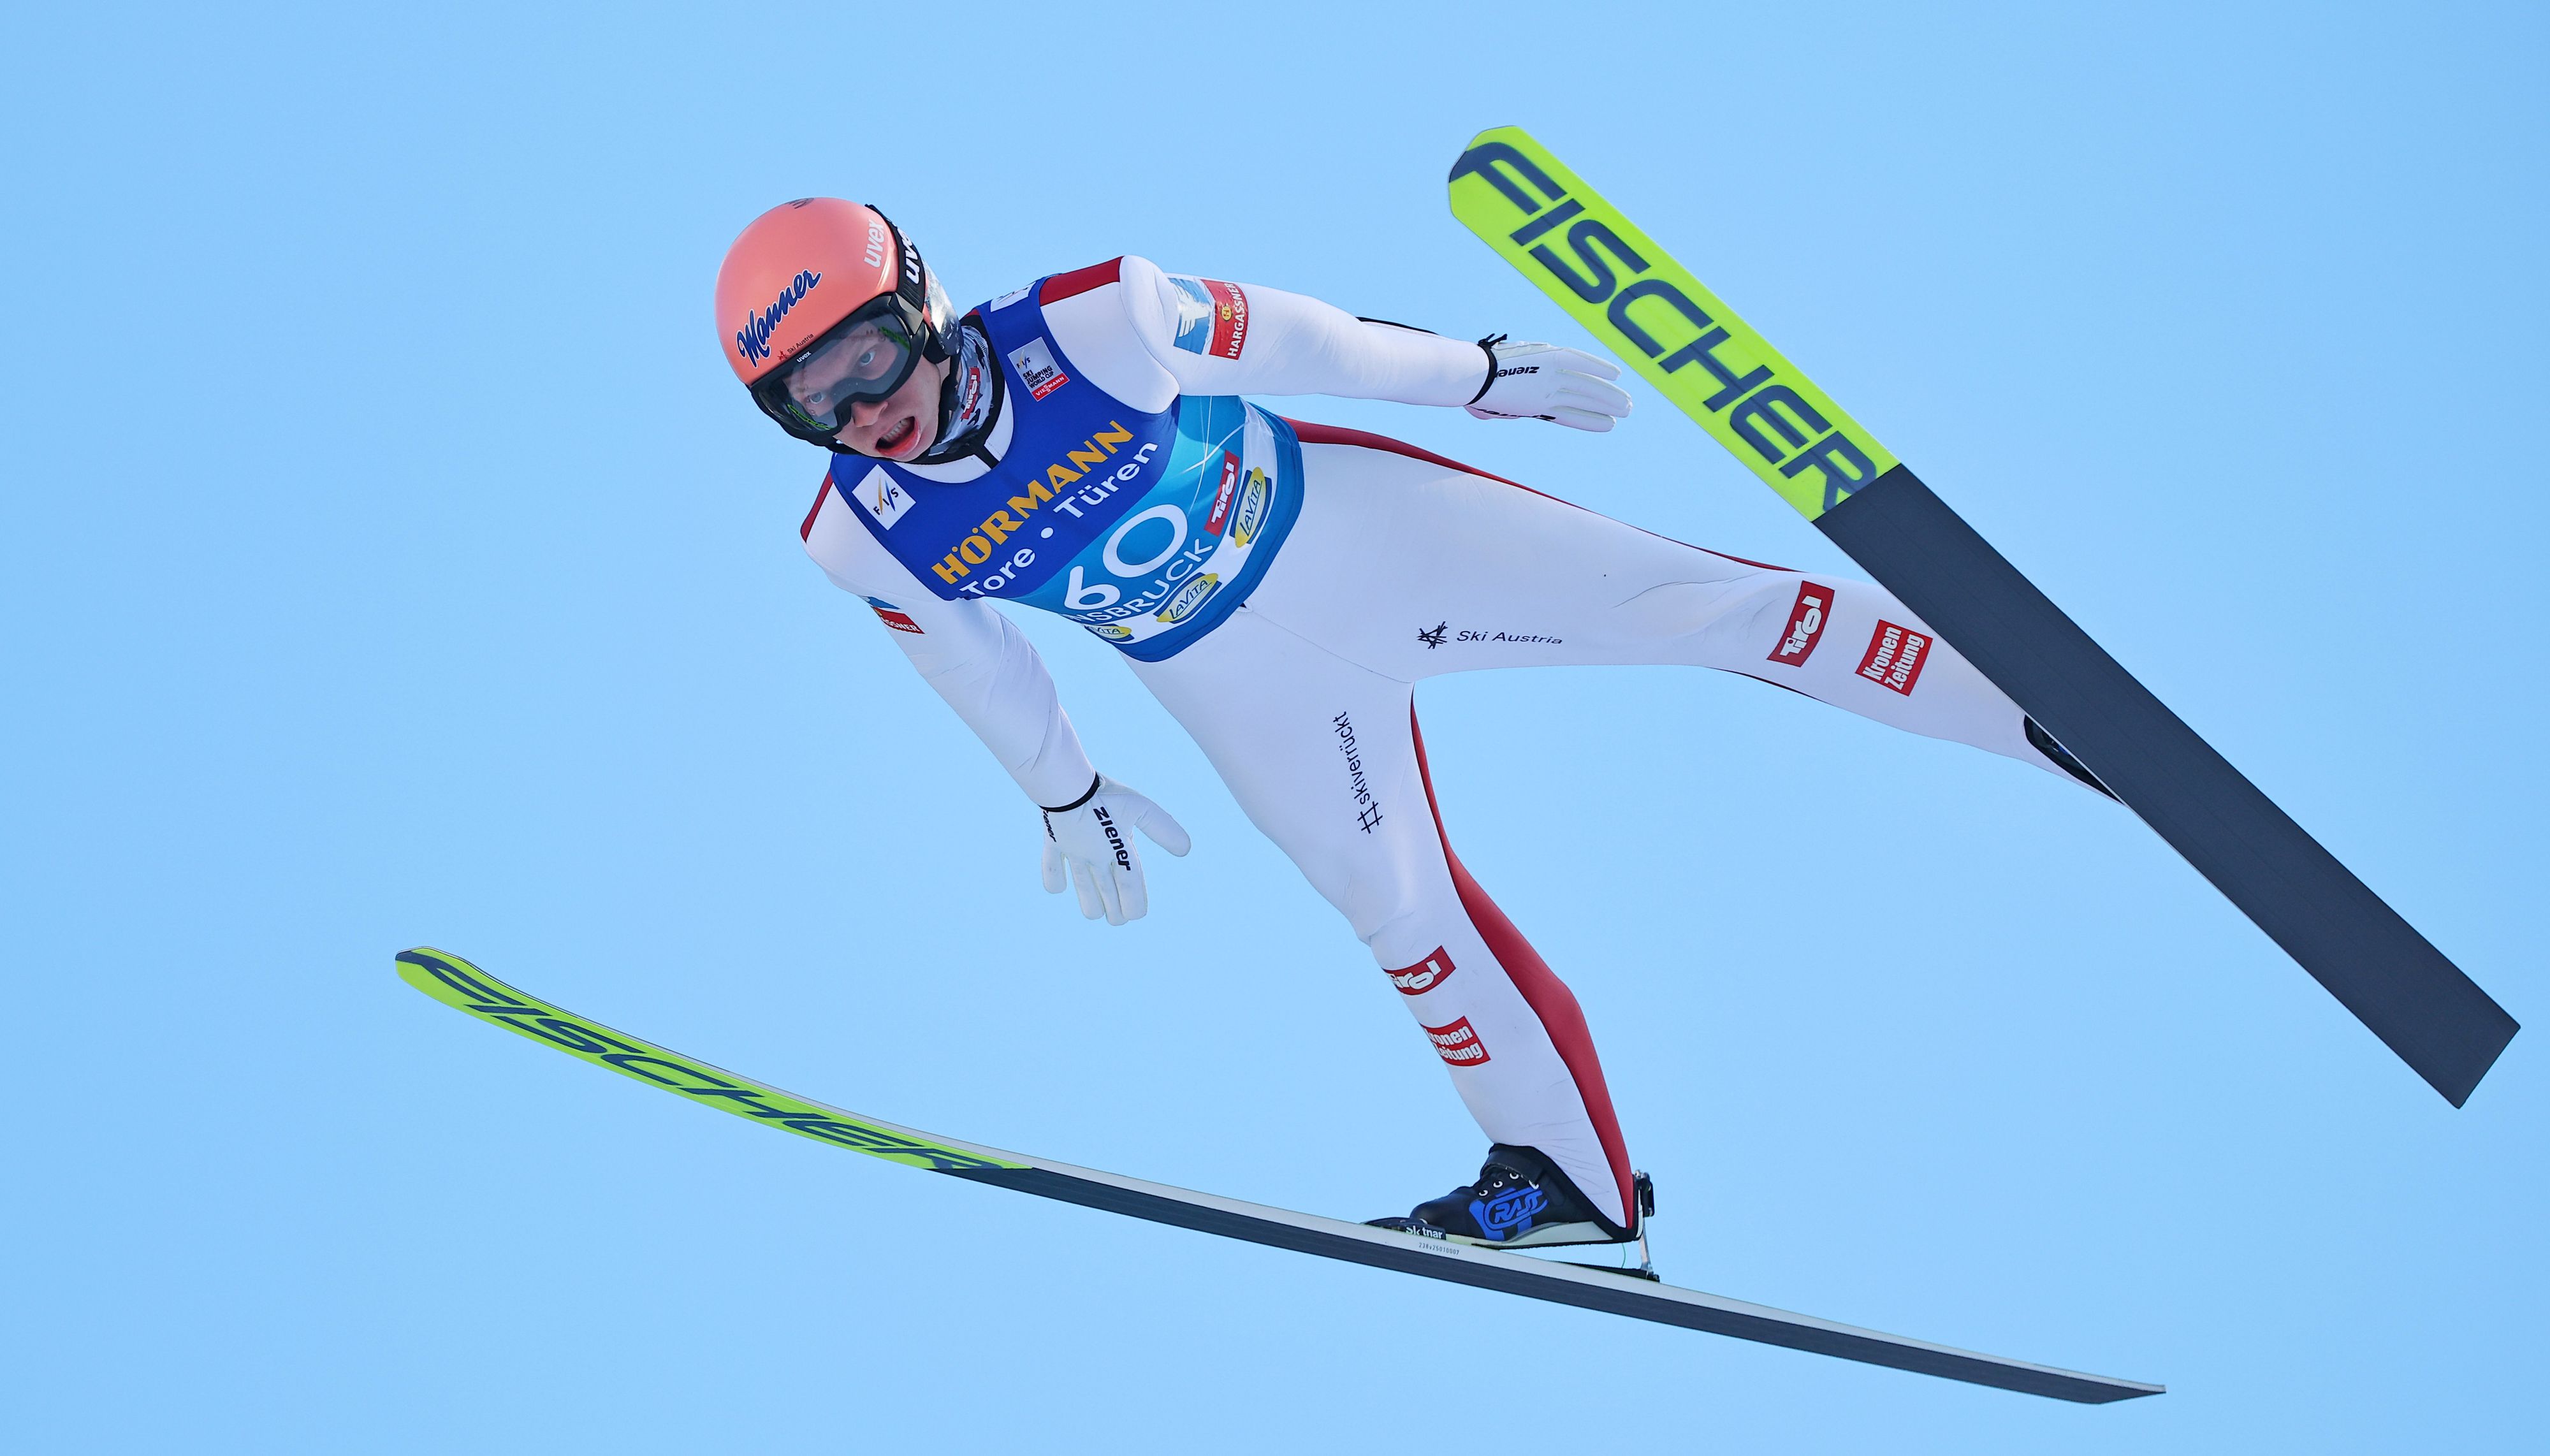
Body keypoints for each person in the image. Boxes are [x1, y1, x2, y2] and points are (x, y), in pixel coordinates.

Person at [715, 198, 2104, 1250]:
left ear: (924, 301)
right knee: (1394, 913)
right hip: (1232, 680)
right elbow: (977, 664)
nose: (865, 411)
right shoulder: (861, 534)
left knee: (1705, 609)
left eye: (871, 357)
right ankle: (1567, 1183)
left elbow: (1316, 341)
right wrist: (1064, 789)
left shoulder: (1096, 321)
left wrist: (1476, 373)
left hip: (1364, 540)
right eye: (810, 403)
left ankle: (2034, 712)